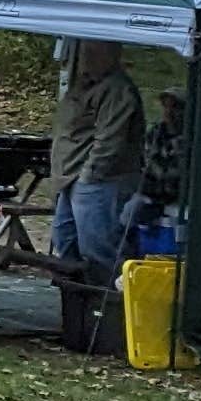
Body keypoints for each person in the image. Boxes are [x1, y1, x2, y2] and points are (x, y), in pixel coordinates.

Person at [48, 37, 148, 281]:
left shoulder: (117, 89)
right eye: (84, 48)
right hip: (71, 178)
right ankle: (75, 299)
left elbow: (110, 139)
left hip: (101, 181)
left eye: (93, 48)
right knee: (65, 241)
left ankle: (109, 299)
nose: (86, 55)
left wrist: (89, 176)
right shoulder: (84, 84)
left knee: (99, 250)